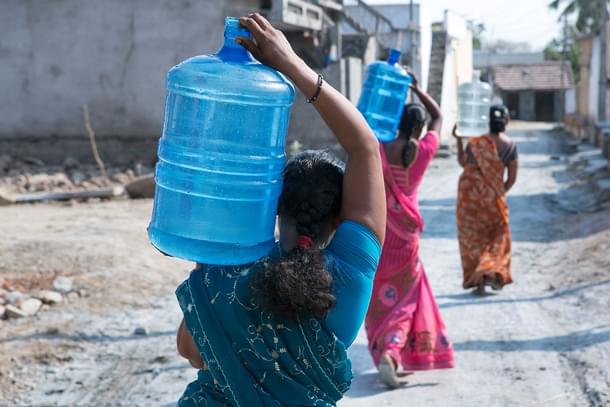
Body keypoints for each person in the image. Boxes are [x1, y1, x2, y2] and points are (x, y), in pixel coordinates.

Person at [174, 13, 386, 406]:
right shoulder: (351, 274)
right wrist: (291, 65)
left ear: (273, 205)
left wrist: (208, 261)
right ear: (339, 221)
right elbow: (365, 147)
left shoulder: (226, 267)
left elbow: (191, 351)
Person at [364, 75, 455, 389]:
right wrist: (417, 90)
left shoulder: (378, 146)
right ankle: (392, 352)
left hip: (379, 232)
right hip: (407, 240)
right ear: (418, 129)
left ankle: (385, 352)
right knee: (405, 300)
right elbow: (439, 117)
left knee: (378, 296)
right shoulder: (425, 149)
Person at [453, 104, 518, 296]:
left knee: (473, 240)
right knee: (497, 237)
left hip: (469, 199)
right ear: (506, 121)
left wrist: (458, 140)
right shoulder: (510, 146)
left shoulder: (475, 142)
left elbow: (463, 163)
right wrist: (498, 192)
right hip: (493, 199)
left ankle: (479, 282)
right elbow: (512, 178)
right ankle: (490, 273)